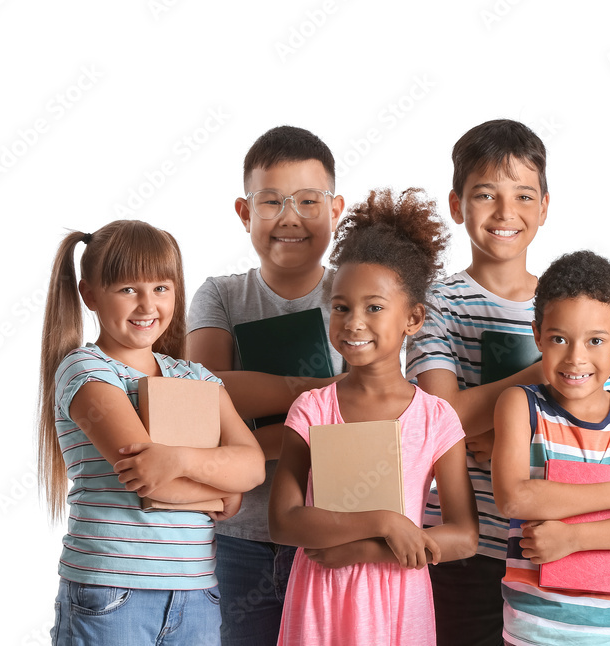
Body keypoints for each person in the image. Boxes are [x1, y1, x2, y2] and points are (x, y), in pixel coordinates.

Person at [407, 119, 610, 644]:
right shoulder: (437, 302)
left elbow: (592, 426)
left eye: (523, 195)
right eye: (485, 195)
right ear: (457, 206)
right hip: (466, 548)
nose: (506, 213)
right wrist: (550, 363)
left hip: (556, 543)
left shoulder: (571, 303)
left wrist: (489, 431)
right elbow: (440, 421)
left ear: (544, 206)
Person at [37, 220, 265, 646]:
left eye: (161, 288)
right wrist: (220, 486)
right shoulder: (86, 368)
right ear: (90, 295)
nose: (147, 305)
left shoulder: (195, 375)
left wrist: (178, 460)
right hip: (111, 592)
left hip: (198, 591)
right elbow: (146, 474)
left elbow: (252, 469)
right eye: (128, 290)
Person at [270, 188, 479, 645]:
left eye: (374, 308)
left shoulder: (436, 419)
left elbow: (464, 535)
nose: (354, 322)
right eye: (341, 307)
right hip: (320, 601)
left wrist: (367, 550)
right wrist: (384, 521)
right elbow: (284, 520)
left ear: (414, 318)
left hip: (399, 600)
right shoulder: (312, 409)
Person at [185, 125, 345, 645]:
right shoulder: (222, 297)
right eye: (271, 201)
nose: (290, 218)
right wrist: (319, 393)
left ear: (336, 209)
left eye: (308, 200)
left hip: (332, 533)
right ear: (243, 212)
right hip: (236, 540)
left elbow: (373, 414)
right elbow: (198, 402)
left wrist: (251, 434)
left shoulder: (360, 294)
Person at [492, 250, 610, 645]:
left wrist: (574, 539)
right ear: (537, 336)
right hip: (537, 629)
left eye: (595, 340)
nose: (576, 357)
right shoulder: (520, 405)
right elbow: (514, 498)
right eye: (559, 339)